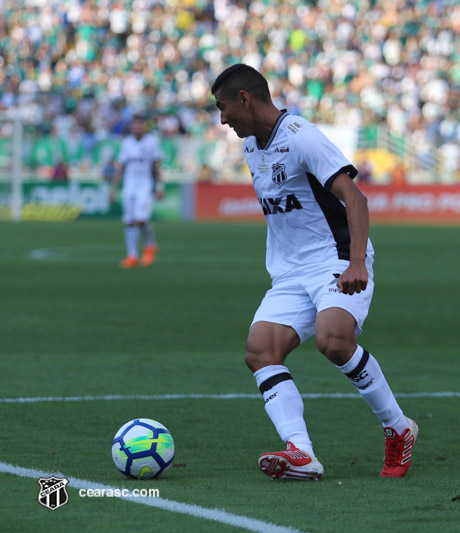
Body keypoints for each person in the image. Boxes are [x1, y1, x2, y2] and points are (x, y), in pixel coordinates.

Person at [210, 64, 418, 480]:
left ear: (245, 99)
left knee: (334, 340)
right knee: (260, 352)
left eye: (223, 107)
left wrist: (356, 261)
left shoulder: (302, 137)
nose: (222, 119)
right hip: (289, 272)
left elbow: (355, 199)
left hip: (336, 259)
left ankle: (399, 429)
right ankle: (301, 453)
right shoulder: (251, 144)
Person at [109, 115, 164, 268]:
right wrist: (113, 189)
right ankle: (132, 256)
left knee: (140, 219)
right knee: (129, 221)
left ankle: (150, 244)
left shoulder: (152, 142)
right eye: (134, 125)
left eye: (140, 125)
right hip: (129, 186)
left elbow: (156, 166)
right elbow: (120, 168)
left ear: (144, 127)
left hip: (144, 185)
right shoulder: (126, 144)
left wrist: (160, 187)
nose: (137, 127)